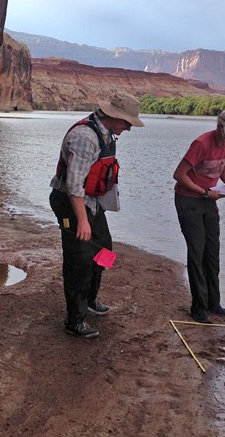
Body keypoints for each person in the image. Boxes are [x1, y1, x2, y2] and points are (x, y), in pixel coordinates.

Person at [49, 93, 144, 338]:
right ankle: (74, 320)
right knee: (78, 259)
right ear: (113, 117)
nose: (129, 128)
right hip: (71, 203)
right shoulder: (85, 137)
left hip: (90, 202)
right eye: (127, 123)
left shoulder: (107, 134)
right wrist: (82, 220)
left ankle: (90, 300)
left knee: (104, 251)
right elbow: (74, 185)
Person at [173, 109, 225, 324]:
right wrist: (204, 192)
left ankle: (214, 303)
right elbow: (179, 175)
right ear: (219, 127)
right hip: (189, 200)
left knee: (212, 252)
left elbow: (221, 168)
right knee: (197, 252)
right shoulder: (201, 143)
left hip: (210, 201)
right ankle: (199, 307)